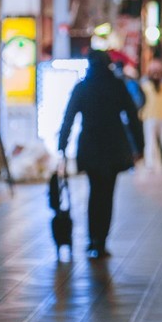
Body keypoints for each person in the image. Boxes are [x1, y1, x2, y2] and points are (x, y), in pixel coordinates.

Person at [58, 50, 144, 258]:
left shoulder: (82, 87)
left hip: (90, 146)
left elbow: (69, 117)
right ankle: (101, 240)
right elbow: (132, 116)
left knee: (94, 191)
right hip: (114, 146)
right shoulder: (116, 85)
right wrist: (139, 146)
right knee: (107, 193)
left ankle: (92, 239)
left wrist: (62, 145)